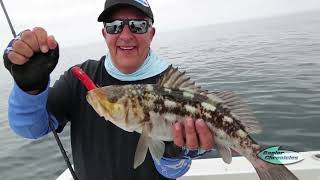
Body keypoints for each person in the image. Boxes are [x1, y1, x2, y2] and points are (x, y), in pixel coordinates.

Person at [3, 0, 214, 179]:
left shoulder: (173, 87)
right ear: (104, 34)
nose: (125, 35)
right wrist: (30, 88)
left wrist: (174, 152)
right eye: (114, 26)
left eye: (137, 25)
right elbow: (30, 128)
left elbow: (175, 171)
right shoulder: (78, 78)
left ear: (151, 33)